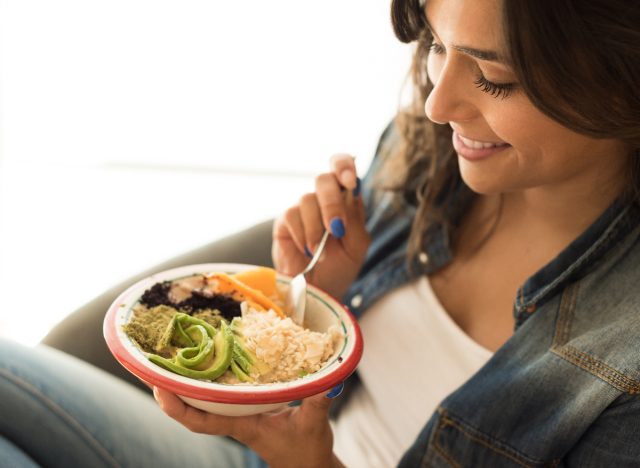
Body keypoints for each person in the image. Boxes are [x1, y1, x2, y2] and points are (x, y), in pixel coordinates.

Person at [2, 0, 639, 466]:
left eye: (494, 77)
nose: (438, 105)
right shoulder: (433, 152)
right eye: (437, 47)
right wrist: (317, 301)